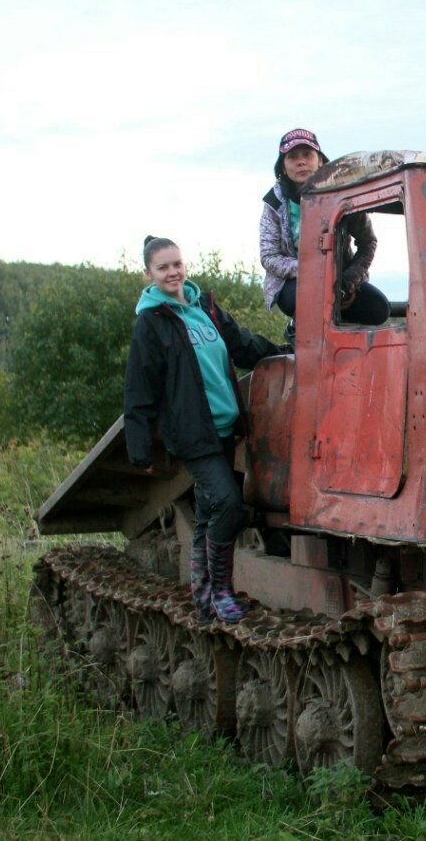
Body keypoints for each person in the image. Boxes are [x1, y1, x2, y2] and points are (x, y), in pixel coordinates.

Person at [124, 236, 281, 623]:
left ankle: (204, 597)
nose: (172, 272)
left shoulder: (205, 307)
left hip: (225, 427)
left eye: (176, 264)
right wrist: (140, 448)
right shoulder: (151, 323)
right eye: (163, 267)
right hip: (192, 433)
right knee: (229, 504)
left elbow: (243, 344)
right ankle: (222, 592)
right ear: (149, 274)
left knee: (211, 512)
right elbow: (139, 387)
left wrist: (287, 351)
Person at [259, 127, 389, 329]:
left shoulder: (344, 194)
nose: (301, 161)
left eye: (307, 155)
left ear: (320, 160)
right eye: (292, 157)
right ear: (283, 167)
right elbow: (268, 256)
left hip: (341, 279)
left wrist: (349, 279)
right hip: (295, 280)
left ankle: (346, 335)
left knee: (379, 309)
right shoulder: (274, 203)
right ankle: (298, 332)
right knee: (305, 299)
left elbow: (368, 242)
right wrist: (309, 271)